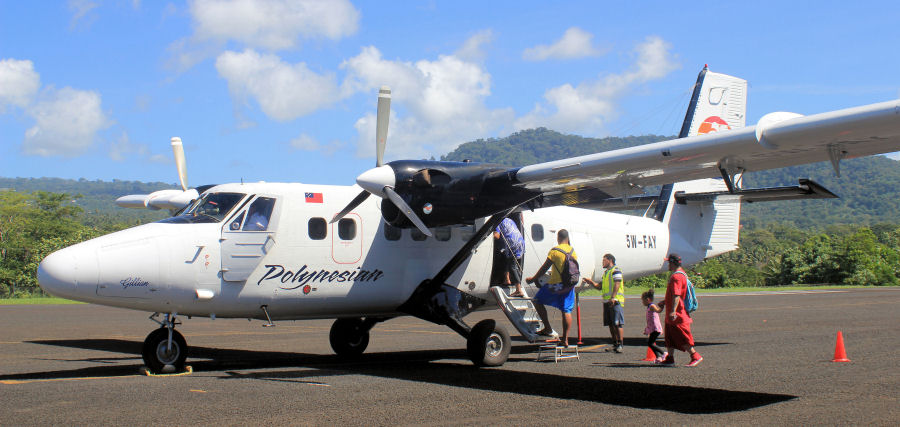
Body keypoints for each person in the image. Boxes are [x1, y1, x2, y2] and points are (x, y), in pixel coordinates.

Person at [526, 229, 577, 347]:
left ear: (558, 238)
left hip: (556, 284)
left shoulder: (555, 251)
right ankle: (565, 339)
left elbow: (545, 267)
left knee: (537, 300)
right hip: (569, 285)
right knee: (566, 310)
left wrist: (533, 279)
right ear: (568, 238)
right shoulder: (573, 251)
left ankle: (548, 328)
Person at [660, 253, 702, 367]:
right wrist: (664, 302)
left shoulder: (676, 277)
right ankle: (670, 358)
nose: (667, 265)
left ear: (673, 263)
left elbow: (677, 294)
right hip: (672, 312)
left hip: (678, 313)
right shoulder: (681, 274)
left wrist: (673, 310)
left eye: (669, 262)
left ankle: (695, 356)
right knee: (669, 336)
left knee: (682, 336)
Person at [581, 254, 625, 352]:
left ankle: (620, 344)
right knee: (610, 324)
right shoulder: (606, 273)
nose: (602, 262)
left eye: (604, 260)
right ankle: (615, 344)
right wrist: (591, 282)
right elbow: (599, 287)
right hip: (607, 301)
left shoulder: (616, 270)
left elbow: (617, 284)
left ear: (610, 260)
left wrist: (613, 297)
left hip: (615, 301)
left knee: (617, 324)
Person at [494, 216, 525, 297]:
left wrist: (490, 233)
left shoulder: (497, 220)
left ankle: (518, 290)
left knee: (512, 266)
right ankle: (507, 280)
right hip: (520, 241)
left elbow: (497, 236)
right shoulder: (509, 220)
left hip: (512, 244)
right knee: (507, 260)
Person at [642, 289, 667, 363]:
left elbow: (658, 310)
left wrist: (662, 306)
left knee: (650, 343)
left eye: (643, 300)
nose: (642, 302)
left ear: (647, 299)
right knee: (650, 343)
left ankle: (663, 353)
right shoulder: (649, 306)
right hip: (652, 328)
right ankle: (658, 357)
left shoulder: (652, 306)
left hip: (655, 328)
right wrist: (647, 330)